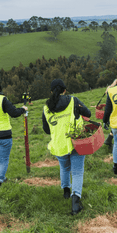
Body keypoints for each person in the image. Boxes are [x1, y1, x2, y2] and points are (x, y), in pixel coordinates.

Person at [42, 79, 91, 215]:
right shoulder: (73, 100)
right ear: (64, 90)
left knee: (64, 168)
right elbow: (88, 113)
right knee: (77, 172)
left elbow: (46, 129)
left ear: (52, 92)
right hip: (76, 141)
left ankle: (66, 192)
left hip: (59, 144)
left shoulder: (46, 107)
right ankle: (75, 204)